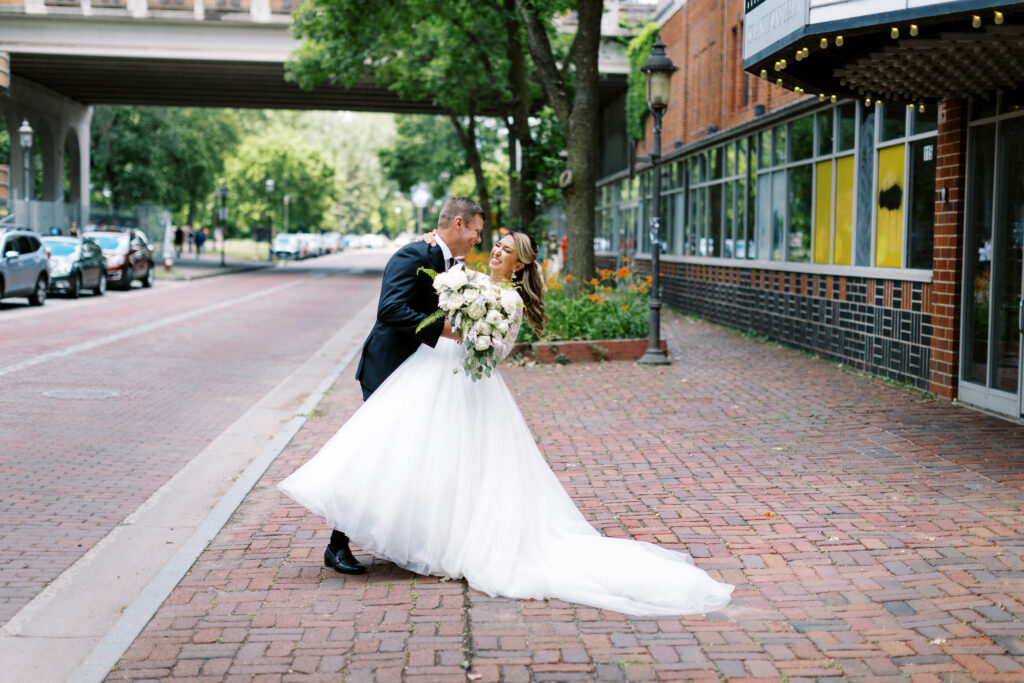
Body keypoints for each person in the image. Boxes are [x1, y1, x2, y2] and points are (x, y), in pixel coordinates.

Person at [279, 228, 734, 616]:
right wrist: (435, 261)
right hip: (429, 372)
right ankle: (375, 532)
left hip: (468, 383)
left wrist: (472, 332)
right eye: (495, 244)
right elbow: (438, 286)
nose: (495, 251)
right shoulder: (467, 277)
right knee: (402, 450)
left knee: (459, 463)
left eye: (506, 250)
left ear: (518, 266)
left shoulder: (509, 302)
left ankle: (446, 542)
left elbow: (495, 352)